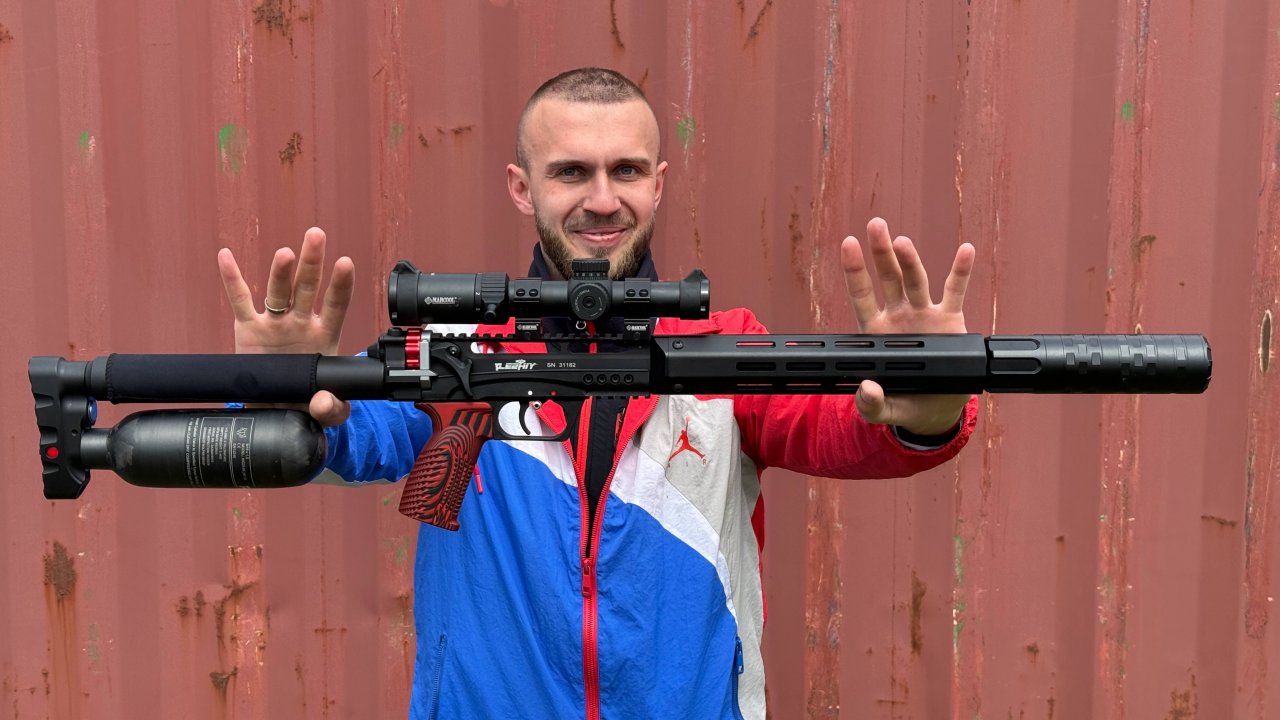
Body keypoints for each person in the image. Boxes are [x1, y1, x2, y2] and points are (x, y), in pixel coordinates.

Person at [217, 67, 978, 720]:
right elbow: (342, 433)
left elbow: (855, 430)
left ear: (659, 183)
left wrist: (928, 400)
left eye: (627, 171)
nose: (604, 200)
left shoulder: (725, 348)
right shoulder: (457, 347)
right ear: (522, 188)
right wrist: (282, 386)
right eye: (572, 172)